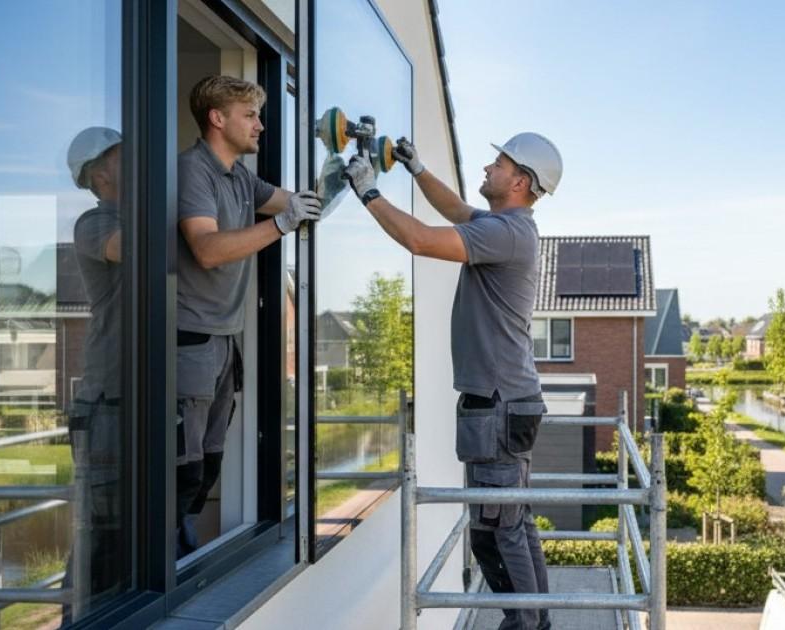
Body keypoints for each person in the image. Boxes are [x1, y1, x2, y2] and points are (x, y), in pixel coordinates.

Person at [344, 132, 562, 630]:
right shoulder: (506, 224)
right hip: (509, 400)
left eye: (499, 163)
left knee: (496, 529)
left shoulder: (506, 234)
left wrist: (368, 191)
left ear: (520, 181)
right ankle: (533, 621)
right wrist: (417, 168)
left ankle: (527, 624)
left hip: (500, 405)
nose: (488, 167)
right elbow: (457, 210)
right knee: (511, 521)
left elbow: (420, 239)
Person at [176, 75, 322, 556]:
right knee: (184, 464)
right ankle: (164, 568)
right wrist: (281, 224)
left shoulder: (240, 177)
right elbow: (207, 249)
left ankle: (184, 548)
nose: (260, 125)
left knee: (212, 459)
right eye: (250, 116)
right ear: (217, 119)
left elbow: (302, 205)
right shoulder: (191, 171)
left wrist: (342, 172)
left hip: (224, 339)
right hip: (190, 338)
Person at [64, 126, 126, 621]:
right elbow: (137, 247)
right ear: (99, 172)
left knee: (138, 527)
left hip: (133, 397)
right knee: (102, 532)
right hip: (106, 403)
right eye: (125, 157)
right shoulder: (94, 223)